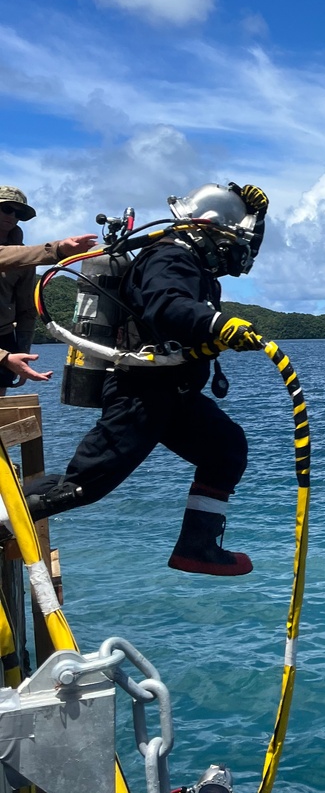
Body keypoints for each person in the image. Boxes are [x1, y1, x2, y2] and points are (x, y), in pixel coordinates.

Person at [22, 182, 269, 577]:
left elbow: (215, 278)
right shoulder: (169, 257)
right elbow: (167, 306)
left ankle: (197, 546)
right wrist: (217, 323)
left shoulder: (191, 263)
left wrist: (259, 218)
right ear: (209, 228)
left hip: (175, 394)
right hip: (142, 394)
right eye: (231, 239)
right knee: (83, 486)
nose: (234, 250)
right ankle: (4, 518)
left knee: (225, 448)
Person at [0, 185, 98, 394]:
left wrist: (21, 356)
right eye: (6, 208)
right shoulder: (26, 256)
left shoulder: (25, 258)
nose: (12, 216)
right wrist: (57, 249)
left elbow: (26, 310)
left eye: (18, 213)